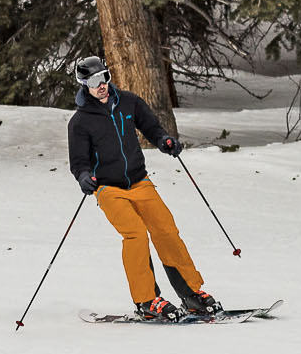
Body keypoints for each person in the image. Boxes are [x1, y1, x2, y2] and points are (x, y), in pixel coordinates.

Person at [66, 55, 222, 321]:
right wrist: (83, 177)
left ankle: (191, 294)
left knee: (166, 230)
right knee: (135, 234)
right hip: (108, 188)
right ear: (84, 85)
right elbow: (79, 162)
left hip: (140, 181)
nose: (101, 85)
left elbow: (152, 128)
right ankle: (147, 299)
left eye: (104, 77)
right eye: (93, 81)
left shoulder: (129, 102)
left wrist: (164, 141)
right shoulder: (80, 122)